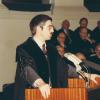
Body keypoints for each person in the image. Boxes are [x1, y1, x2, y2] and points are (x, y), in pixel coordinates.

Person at [14, 14, 68, 100]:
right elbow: (26, 69)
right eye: (49, 27)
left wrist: (83, 74)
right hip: (32, 94)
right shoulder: (24, 48)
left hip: (53, 94)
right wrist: (40, 83)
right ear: (39, 28)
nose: (53, 30)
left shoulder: (51, 48)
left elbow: (64, 67)